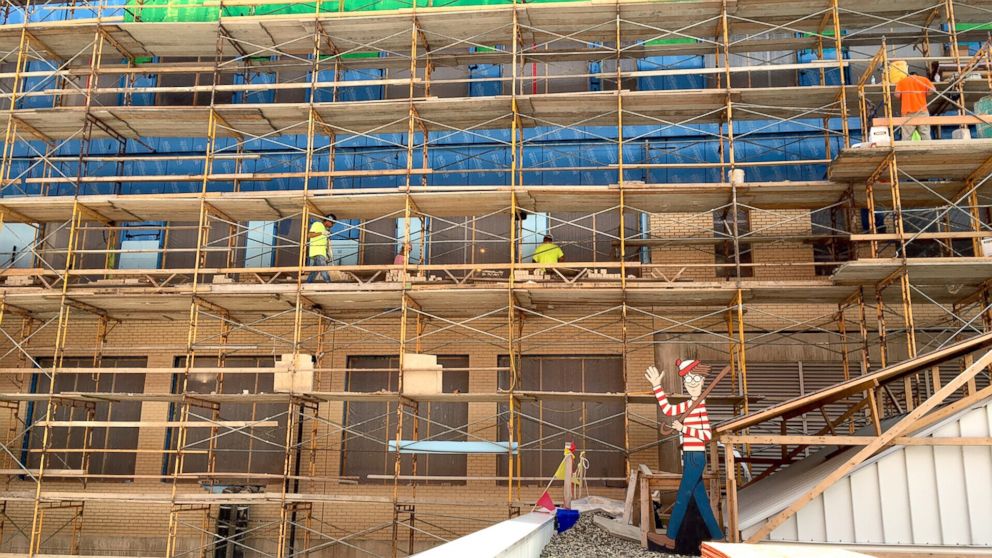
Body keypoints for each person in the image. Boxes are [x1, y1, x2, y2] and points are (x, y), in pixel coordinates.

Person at [644, 360, 724, 547]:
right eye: (688, 378)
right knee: (702, 502)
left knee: (682, 497)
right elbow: (668, 409)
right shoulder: (690, 404)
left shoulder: (700, 409)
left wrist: (684, 428)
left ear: (703, 381)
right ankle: (719, 538)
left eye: (696, 378)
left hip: (695, 456)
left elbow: (706, 435)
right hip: (690, 456)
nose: (692, 382)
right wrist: (657, 386)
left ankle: (671, 538)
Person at [894, 71, 935, 140]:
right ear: (917, 75)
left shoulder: (902, 81)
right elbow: (933, 90)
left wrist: (904, 97)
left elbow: (897, 95)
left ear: (908, 75)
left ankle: (907, 150)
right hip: (922, 111)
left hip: (907, 111)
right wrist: (925, 94)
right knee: (925, 133)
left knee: (907, 135)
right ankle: (928, 149)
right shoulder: (923, 79)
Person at [306, 214, 336, 283]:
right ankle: (329, 284)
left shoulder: (324, 229)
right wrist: (322, 233)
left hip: (321, 252)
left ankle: (308, 284)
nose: (332, 225)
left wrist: (328, 255)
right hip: (317, 251)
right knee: (323, 269)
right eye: (332, 223)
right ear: (328, 221)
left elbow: (326, 244)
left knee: (314, 271)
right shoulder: (317, 224)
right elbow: (309, 235)